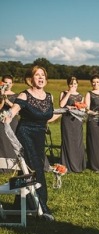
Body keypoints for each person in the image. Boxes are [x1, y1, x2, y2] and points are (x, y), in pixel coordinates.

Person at [0, 66, 59, 221]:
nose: (40, 77)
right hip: (25, 134)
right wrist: (8, 116)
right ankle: (43, 208)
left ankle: (21, 202)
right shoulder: (25, 95)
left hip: (40, 135)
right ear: (30, 79)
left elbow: (47, 116)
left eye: (43, 75)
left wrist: (66, 111)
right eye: (37, 75)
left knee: (26, 170)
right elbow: (14, 109)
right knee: (36, 168)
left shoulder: (49, 97)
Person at [59, 76, 86, 173]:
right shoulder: (64, 93)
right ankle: (67, 165)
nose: (73, 86)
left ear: (77, 84)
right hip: (67, 121)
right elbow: (61, 105)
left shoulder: (80, 96)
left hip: (77, 121)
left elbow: (83, 108)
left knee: (77, 142)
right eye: (71, 84)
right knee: (68, 141)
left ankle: (78, 164)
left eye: (75, 84)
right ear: (68, 84)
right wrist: (69, 92)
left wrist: (79, 108)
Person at [0, 75, 19, 161]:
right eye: (6, 82)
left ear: (12, 84)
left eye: (10, 83)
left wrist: (7, 100)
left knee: (12, 138)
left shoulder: (16, 95)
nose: (7, 84)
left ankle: (14, 160)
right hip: (1, 118)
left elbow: (17, 109)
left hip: (12, 119)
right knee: (2, 139)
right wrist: (2, 97)